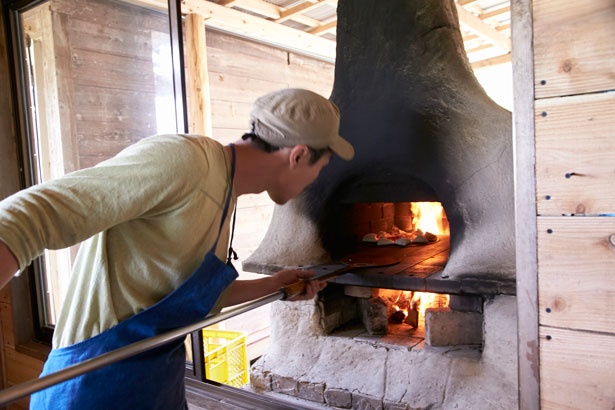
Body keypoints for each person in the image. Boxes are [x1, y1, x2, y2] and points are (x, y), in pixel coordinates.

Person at [0, 88, 354, 409]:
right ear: (298, 156)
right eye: (320, 168)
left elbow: (190, 299)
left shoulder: (225, 190)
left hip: (155, 381)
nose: (315, 179)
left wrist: (275, 285)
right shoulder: (187, 162)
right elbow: (31, 216)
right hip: (92, 384)